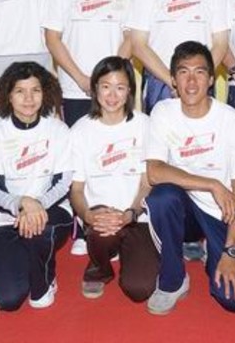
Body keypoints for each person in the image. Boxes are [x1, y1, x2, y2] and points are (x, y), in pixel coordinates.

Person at [143, 41, 235, 315]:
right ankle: (173, 279)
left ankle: (214, 254)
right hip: (186, 209)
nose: (191, 81)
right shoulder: (162, 112)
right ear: (172, 79)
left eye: (200, 72)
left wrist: (230, 252)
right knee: (162, 197)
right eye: (183, 72)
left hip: (225, 214)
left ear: (212, 78)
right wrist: (211, 184)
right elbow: (155, 172)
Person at [0, 62, 73, 311]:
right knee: (8, 300)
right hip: (6, 218)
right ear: (8, 95)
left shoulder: (58, 130)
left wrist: (37, 204)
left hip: (51, 211)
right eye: (20, 91)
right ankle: (30, 255)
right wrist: (22, 203)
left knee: (40, 232)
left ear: (46, 93)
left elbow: (63, 183)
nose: (29, 98)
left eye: (36, 90)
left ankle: (44, 280)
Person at [69, 56, 158, 301]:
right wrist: (87, 215)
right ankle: (99, 268)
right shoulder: (80, 130)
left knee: (140, 289)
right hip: (100, 215)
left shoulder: (145, 125)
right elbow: (76, 190)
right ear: (95, 88)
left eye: (120, 87)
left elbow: (146, 182)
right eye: (105, 86)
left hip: (137, 216)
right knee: (102, 230)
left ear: (130, 90)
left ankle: (128, 250)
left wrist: (131, 212)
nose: (112, 95)